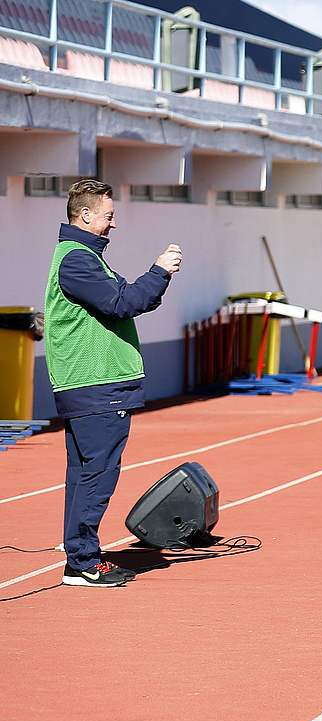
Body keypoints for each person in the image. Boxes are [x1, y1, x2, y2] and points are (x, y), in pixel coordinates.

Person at [45, 179, 181, 587]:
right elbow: (124, 302)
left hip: (92, 383)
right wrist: (160, 270)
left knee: (85, 472)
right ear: (85, 215)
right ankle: (83, 560)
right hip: (95, 383)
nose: (113, 223)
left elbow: (130, 297)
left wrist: (155, 280)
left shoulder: (86, 257)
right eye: (108, 215)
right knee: (97, 473)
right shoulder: (77, 260)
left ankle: (81, 553)